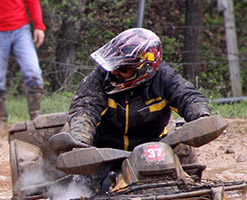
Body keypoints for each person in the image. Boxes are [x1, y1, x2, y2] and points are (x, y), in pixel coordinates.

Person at [67, 28, 212, 190]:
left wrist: (202, 117)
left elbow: (189, 97)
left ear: (144, 68)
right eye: (114, 66)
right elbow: (84, 108)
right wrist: (80, 142)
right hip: (105, 152)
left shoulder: (165, 77)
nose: (115, 71)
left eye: (123, 69)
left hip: (156, 148)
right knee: (80, 192)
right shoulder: (100, 78)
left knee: (188, 180)